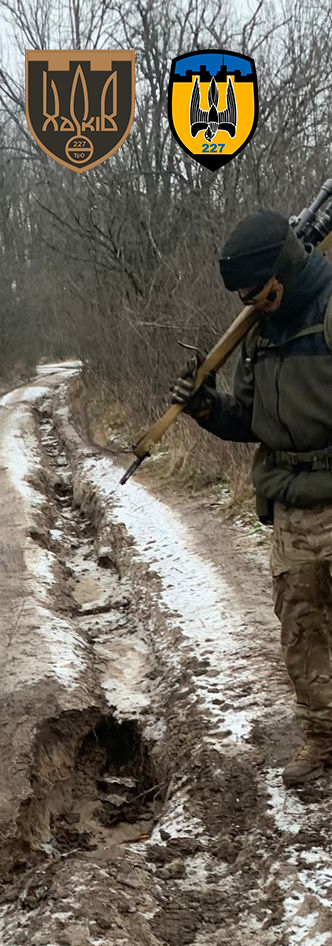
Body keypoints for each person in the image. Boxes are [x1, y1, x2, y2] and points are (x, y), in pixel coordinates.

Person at [171, 208, 332, 787]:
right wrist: (206, 408)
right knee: (302, 631)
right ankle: (321, 737)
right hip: (291, 506)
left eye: (257, 293)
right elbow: (252, 420)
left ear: (283, 273)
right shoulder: (259, 332)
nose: (251, 305)